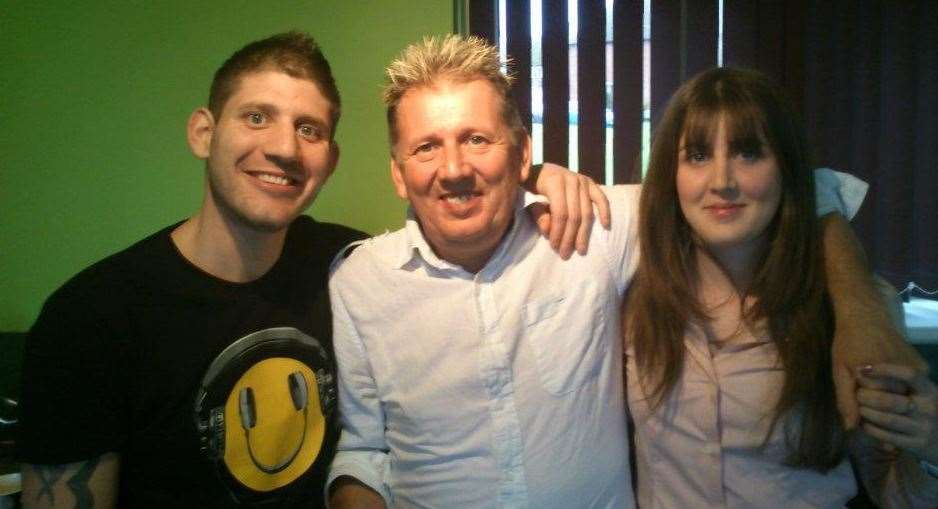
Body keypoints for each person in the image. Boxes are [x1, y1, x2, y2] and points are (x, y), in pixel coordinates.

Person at [15, 31, 605, 508]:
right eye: (256, 117)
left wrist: (538, 177)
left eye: (309, 129)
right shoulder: (90, 318)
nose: (285, 149)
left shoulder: (351, 267)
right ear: (203, 132)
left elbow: (455, 189)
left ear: (331, 158)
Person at [325, 35, 900, 508]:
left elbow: (787, 192)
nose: (453, 168)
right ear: (398, 173)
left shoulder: (597, 226)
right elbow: (364, 447)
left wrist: (860, 312)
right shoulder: (360, 282)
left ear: (520, 152)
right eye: (426, 148)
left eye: (477, 139)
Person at [623, 67, 938, 508]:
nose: (721, 181)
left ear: (787, 170)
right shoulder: (632, 297)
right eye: (697, 155)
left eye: (748, 153)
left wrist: (929, 451)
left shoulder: (852, 311)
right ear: (670, 177)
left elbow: (889, 486)